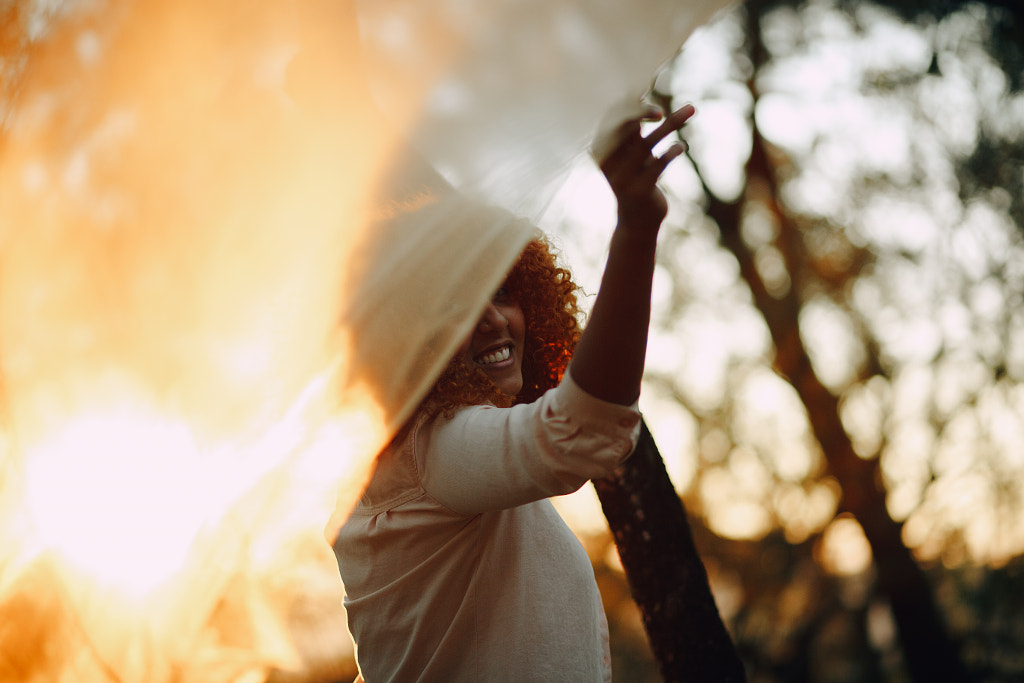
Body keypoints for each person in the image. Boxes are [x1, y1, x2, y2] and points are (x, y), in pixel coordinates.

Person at [333, 103, 696, 682]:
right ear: (402, 335)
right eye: (452, 305)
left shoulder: (461, 469)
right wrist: (636, 225)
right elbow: (580, 435)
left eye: (502, 292)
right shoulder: (430, 456)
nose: (493, 321)